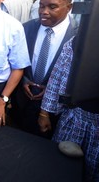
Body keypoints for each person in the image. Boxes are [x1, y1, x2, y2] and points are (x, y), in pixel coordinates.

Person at [12, 0, 77, 137]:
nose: (44, 12)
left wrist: (51, 89)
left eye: (52, 7)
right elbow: (15, 61)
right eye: (41, 6)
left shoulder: (79, 37)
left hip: (53, 112)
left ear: (69, 8)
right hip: (22, 102)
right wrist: (23, 80)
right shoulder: (26, 29)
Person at [39, 36, 99, 181]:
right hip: (74, 118)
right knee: (61, 167)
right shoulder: (77, 41)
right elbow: (56, 77)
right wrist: (44, 113)